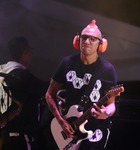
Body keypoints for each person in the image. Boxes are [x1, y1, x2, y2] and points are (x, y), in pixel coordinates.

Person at [45, 20, 117, 150]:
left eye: (93, 39)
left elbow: (111, 104)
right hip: (70, 126)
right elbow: (49, 95)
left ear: (101, 44)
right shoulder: (67, 63)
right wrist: (61, 122)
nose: (87, 41)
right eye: (84, 37)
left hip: (96, 126)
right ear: (77, 40)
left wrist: (105, 113)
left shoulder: (107, 69)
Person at [0, 37, 48, 150]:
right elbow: (47, 89)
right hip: (21, 138)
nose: (31, 54)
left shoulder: (5, 74)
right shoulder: (21, 75)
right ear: (25, 53)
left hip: (8, 135)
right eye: (31, 51)